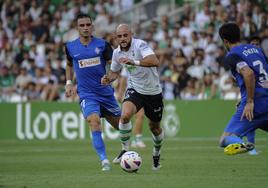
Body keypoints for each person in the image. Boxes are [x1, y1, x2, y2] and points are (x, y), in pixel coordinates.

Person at [101, 24, 164, 170]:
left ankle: (156, 154)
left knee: (155, 128)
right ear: (116, 38)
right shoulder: (117, 53)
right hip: (135, 89)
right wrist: (108, 79)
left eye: (125, 35)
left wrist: (134, 61)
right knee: (125, 116)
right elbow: (115, 72)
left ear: (131, 35)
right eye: (119, 36)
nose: (122, 38)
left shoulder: (140, 45)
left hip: (153, 92)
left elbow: (155, 61)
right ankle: (125, 150)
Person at [65, 14, 121, 171]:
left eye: (88, 24)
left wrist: (110, 77)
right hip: (87, 94)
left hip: (105, 94)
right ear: (77, 28)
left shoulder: (103, 45)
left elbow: (114, 65)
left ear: (92, 27)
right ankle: (104, 160)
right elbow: (69, 65)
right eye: (81, 25)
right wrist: (69, 83)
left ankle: (125, 150)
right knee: (94, 122)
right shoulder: (70, 47)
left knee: (122, 127)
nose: (85, 28)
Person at [218, 22, 268, 155]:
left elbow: (249, 73)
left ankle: (244, 145)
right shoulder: (257, 49)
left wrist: (250, 101)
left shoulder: (232, 56)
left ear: (225, 41)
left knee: (224, 140)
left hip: (256, 105)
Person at [117, 67, 146, 148]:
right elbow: (123, 79)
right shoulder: (127, 64)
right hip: (130, 94)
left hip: (142, 92)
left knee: (139, 116)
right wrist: (120, 93)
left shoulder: (142, 63)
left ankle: (136, 139)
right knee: (130, 117)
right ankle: (135, 139)